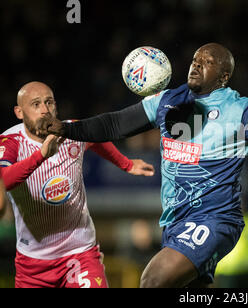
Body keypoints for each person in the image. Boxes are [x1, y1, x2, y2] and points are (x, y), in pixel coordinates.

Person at [38, 42, 248, 287]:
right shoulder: (168, 100)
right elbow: (114, 124)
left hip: (215, 219)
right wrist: (65, 129)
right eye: (195, 60)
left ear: (223, 77)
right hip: (175, 222)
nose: (196, 65)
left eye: (207, 62)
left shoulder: (240, 110)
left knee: (153, 279)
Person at [0, 81, 155, 288]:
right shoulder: (10, 142)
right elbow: (5, 180)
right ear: (19, 112)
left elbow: (95, 139)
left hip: (80, 253)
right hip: (33, 264)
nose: (45, 110)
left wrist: (126, 164)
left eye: (49, 102)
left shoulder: (71, 130)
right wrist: (41, 156)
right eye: (36, 104)